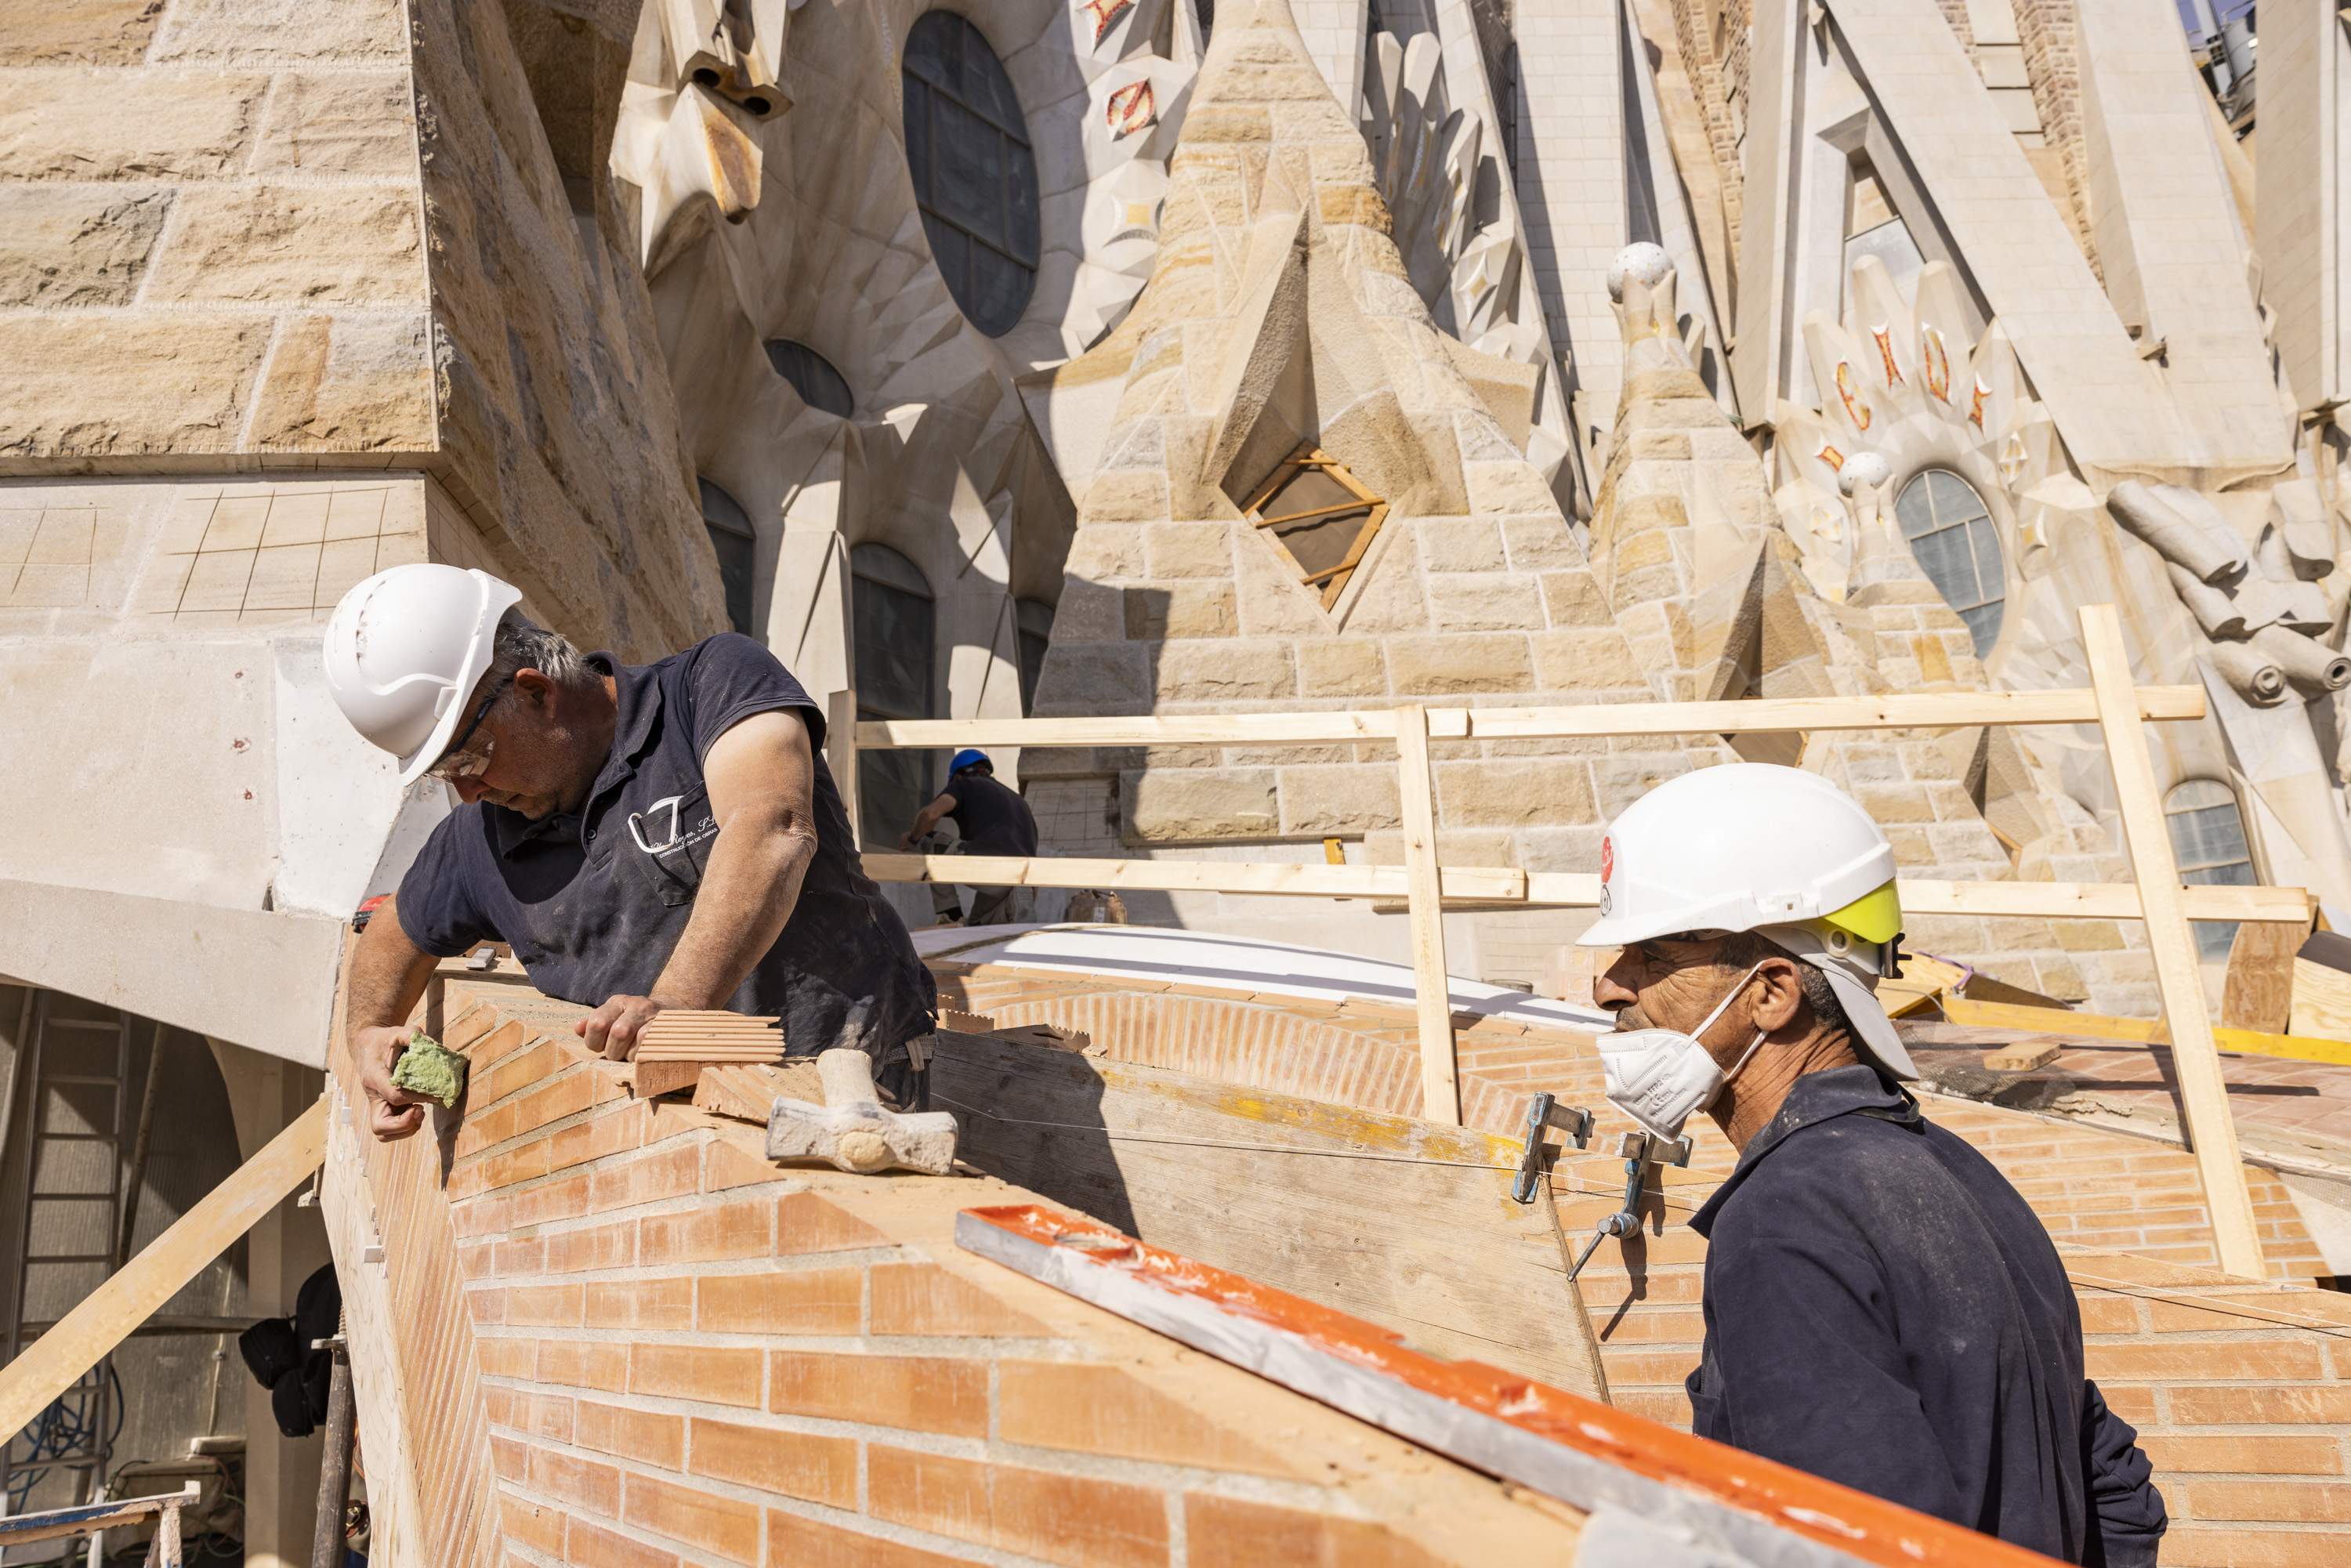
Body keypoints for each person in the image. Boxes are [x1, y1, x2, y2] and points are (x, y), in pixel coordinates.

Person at [1575, 762, 2165, 1566]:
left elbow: (1849, 1549)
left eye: (1651, 953)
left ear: (1771, 992)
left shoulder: (1783, 1219)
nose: (1606, 986)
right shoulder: (1963, 1175)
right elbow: (2115, 1493)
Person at [324, 564, 936, 1139]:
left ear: (535, 692)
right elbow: (391, 934)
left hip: (847, 1077)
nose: (467, 790)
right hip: (670, 1122)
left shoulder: (710, 686)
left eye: (468, 757)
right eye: (442, 774)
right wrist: (367, 1035)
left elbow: (772, 828)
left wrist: (671, 1010)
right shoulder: (477, 839)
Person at [900, 748, 1038, 927]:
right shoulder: (1020, 802)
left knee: (930, 841)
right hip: (1024, 879)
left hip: (988, 867)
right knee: (977, 924)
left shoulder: (964, 783)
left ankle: (951, 917)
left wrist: (912, 838)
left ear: (958, 775)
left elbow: (931, 814)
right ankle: (1013, 904)